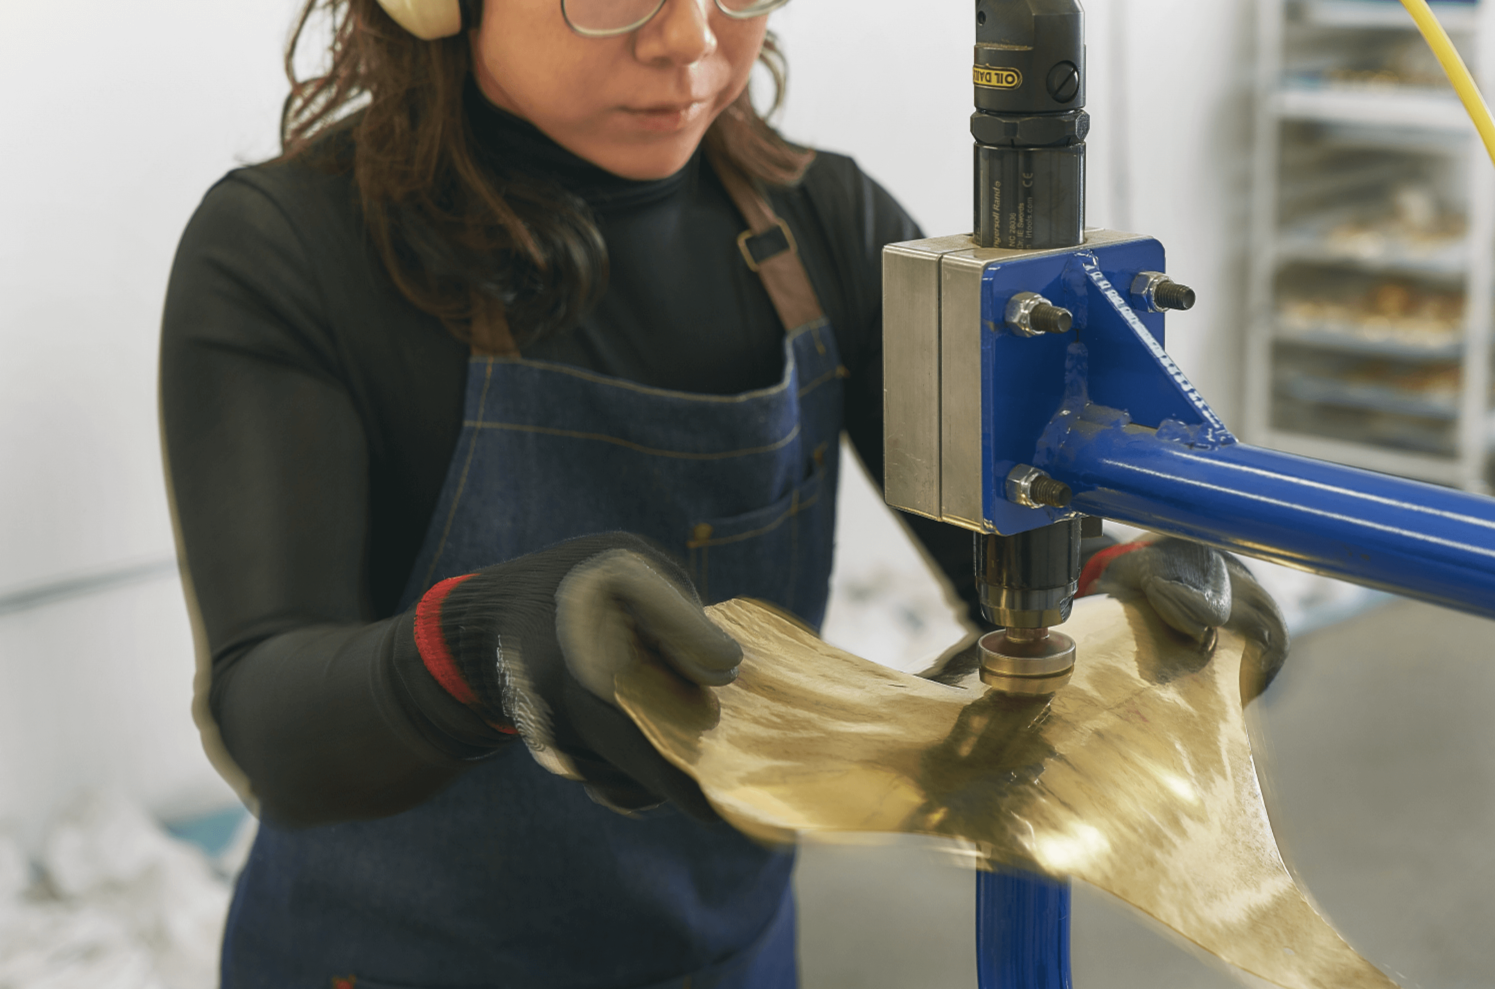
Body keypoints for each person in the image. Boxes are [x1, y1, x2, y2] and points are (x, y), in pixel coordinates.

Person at [160, 0, 1288, 985]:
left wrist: (1119, 589)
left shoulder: (826, 226)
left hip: (727, 957)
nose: (691, 41)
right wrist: (477, 646)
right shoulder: (287, 251)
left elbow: (1015, 565)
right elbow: (271, 723)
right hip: (393, 963)